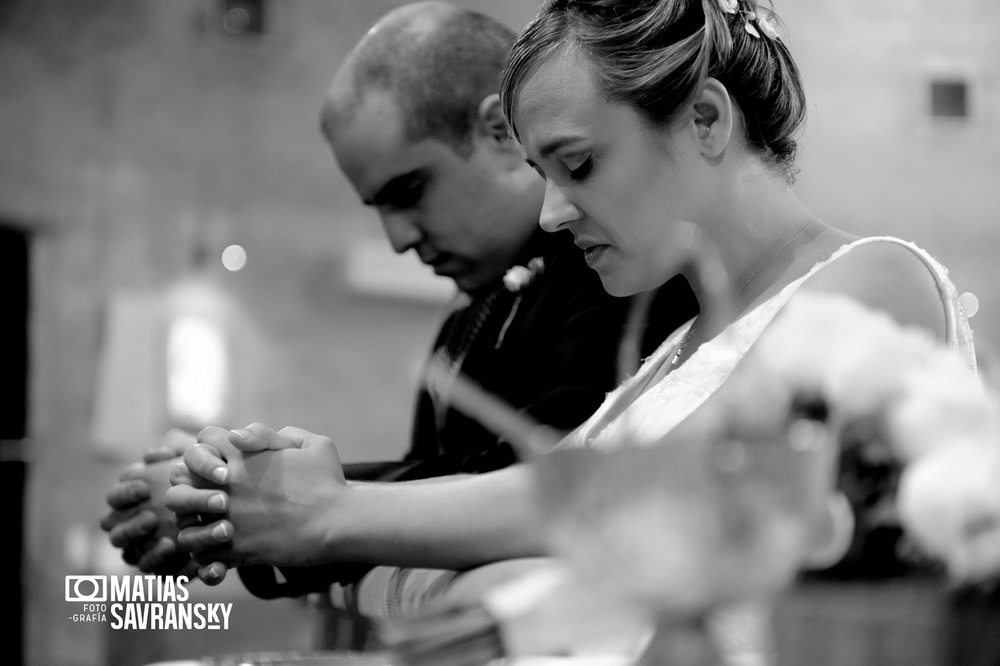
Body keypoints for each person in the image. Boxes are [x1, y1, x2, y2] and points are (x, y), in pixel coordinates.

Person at [165, 0, 975, 654]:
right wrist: (279, 485)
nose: (552, 215)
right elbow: (528, 515)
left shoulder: (873, 277)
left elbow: (652, 497)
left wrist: (335, 516)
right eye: (541, 174)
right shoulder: (664, 359)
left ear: (703, 119)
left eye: (578, 164)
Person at [100, 0, 695, 591]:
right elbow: (441, 482)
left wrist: (251, 496)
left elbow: (532, 481)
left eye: (409, 192)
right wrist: (236, 490)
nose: (398, 238)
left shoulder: (618, 265)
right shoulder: (475, 304)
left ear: (497, 131)